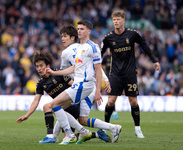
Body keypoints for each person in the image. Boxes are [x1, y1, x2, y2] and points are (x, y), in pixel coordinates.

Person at [44, 20, 121, 145]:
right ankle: (112, 128)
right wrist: (54, 73)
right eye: (78, 28)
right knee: (80, 118)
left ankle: (65, 136)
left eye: (82, 29)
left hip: (84, 85)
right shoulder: (80, 48)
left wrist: (98, 90)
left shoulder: (93, 47)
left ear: (89, 31)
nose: (79, 30)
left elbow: (98, 68)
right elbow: (74, 68)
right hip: (79, 85)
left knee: (56, 105)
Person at [101, 10, 161, 138]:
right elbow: (99, 55)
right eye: (114, 20)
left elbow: (144, 45)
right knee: (111, 101)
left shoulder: (133, 34)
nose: (116, 22)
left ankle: (137, 129)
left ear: (123, 21)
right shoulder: (108, 38)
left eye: (118, 19)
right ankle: (105, 128)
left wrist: (154, 60)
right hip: (115, 74)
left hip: (130, 74)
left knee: (133, 101)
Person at [16, 50, 81, 144]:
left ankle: (50, 136)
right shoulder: (40, 83)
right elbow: (36, 100)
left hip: (72, 105)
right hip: (61, 110)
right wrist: (27, 115)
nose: (39, 69)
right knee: (68, 138)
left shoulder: (59, 73)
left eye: (41, 65)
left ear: (48, 65)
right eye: (37, 66)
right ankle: (93, 134)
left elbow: (75, 86)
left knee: (47, 106)